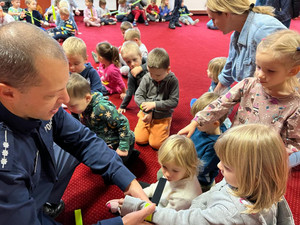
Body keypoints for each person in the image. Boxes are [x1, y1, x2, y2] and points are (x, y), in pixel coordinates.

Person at [0, 21, 153, 225]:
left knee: (73, 139)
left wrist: (127, 181)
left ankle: (45, 202)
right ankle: (35, 206)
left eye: (65, 85)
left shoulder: (39, 104)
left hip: (23, 180)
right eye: (53, 94)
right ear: (8, 93)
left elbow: (82, 140)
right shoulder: (5, 165)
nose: (65, 99)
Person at [120, 124, 294, 225]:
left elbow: (180, 219)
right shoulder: (266, 187)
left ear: (252, 176)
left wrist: (136, 207)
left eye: (227, 166)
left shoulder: (231, 213)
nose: (218, 166)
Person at [179, 29, 300, 167]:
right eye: (258, 67)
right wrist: (196, 121)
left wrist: (271, 161)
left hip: (260, 162)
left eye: (270, 71)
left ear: (292, 71)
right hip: (235, 146)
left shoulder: (295, 105)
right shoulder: (249, 84)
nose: (260, 74)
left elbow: (293, 143)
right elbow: (221, 103)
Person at [206, 0, 286, 94]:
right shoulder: (237, 34)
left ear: (226, 14)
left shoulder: (262, 31)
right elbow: (228, 71)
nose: (213, 24)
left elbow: (283, 76)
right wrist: (212, 99)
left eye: (213, 19)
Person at [108, 135, 202, 212]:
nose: (167, 174)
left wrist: (130, 206)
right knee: (136, 187)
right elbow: (158, 186)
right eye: (164, 167)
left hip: (165, 213)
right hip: (163, 198)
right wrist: (140, 196)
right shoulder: (181, 173)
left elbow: (163, 217)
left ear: (190, 167)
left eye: (175, 170)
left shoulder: (183, 198)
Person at [66, 73, 139, 166]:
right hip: (103, 140)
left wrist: (123, 147)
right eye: (67, 105)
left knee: (117, 165)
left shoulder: (101, 108)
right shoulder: (80, 105)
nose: (69, 109)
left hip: (117, 141)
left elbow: (123, 122)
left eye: (72, 106)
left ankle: (130, 154)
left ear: (87, 98)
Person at [134, 48, 179, 150]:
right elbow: (138, 96)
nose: (154, 77)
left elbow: (174, 102)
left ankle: (166, 124)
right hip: (145, 113)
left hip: (162, 116)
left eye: (158, 75)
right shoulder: (147, 77)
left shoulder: (173, 81)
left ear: (168, 70)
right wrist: (147, 111)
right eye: (151, 73)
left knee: (156, 144)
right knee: (139, 139)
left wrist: (154, 105)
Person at [190, 92, 227, 192]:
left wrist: (180, 167)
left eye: (199, 122)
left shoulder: (215, 146)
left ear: (215, 123)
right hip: (189, 162)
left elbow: (201, 170)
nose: (194, 123)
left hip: (199, 179)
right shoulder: (203, 127)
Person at [118, 41, 148, 113]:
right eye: (128, 62)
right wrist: (122, 106)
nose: (132, 64)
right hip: (145, 95)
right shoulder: (131, 74)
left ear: (140, 56)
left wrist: (141, 68)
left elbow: (155, 64)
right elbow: (130, 91)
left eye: (134, 60)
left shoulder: (146, 60)